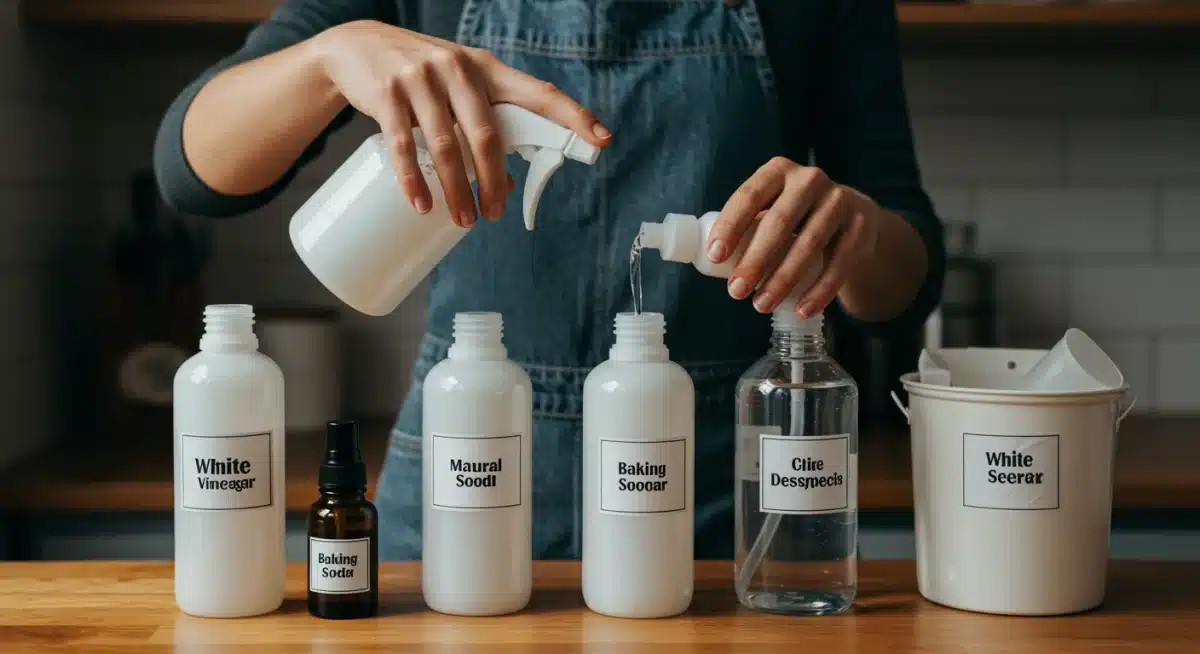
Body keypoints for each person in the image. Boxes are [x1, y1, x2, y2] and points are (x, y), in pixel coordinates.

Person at [154, 0, 945, 561]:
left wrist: (859, 231)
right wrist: (330, 56)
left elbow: (906, 290)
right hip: (454, 481)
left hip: (716, 495)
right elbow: (190, 173)